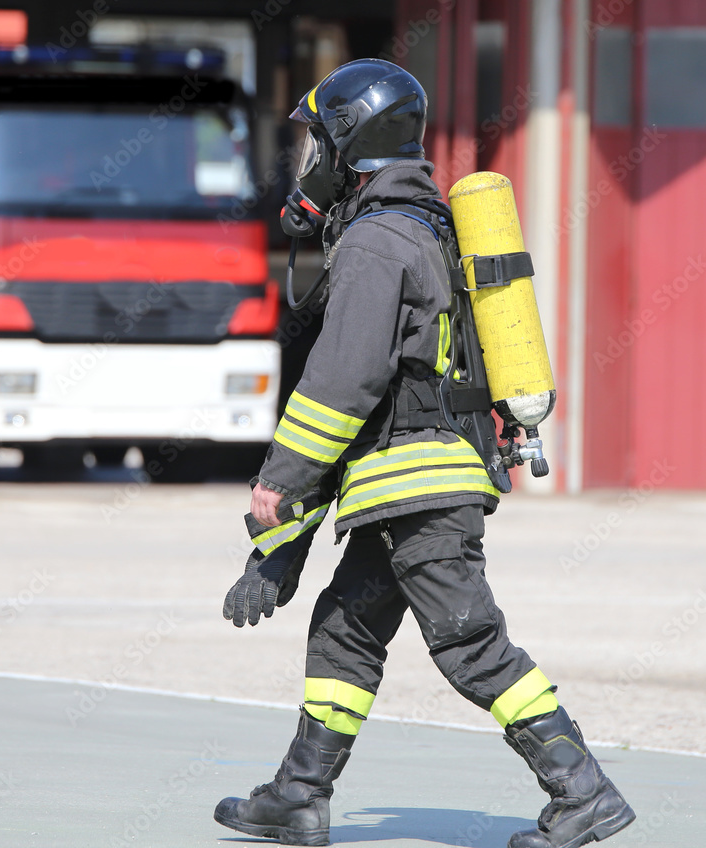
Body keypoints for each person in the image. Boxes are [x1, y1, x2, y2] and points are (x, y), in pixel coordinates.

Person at [213, 58, 635, 848]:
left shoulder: (377, 243)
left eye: (316, 145)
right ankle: (299, 796)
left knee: (469, 642)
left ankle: (584, 792)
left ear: (347, 144)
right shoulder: (425, 227)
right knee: (345, 629)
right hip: (406, 485)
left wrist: (279, 484)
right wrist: (282, 552)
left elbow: (345, 385)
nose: (309, 166)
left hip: (420, 488)